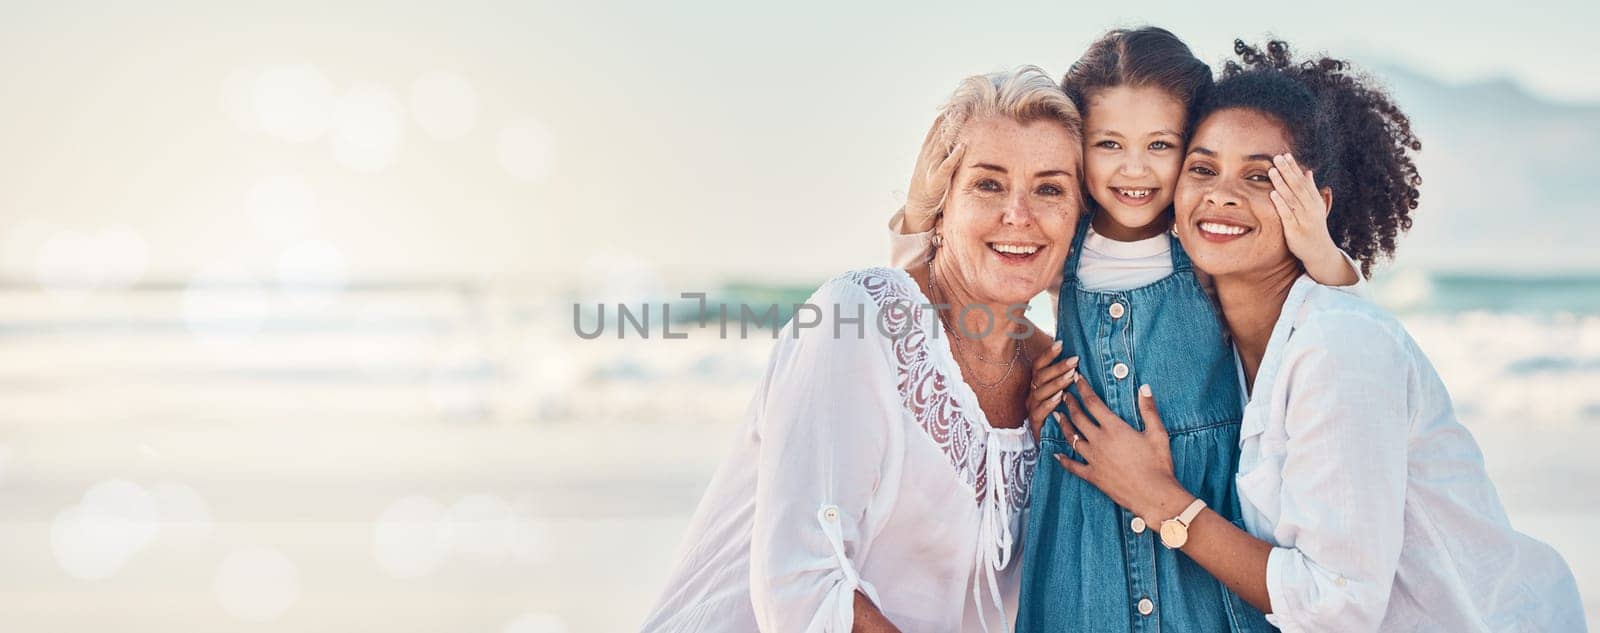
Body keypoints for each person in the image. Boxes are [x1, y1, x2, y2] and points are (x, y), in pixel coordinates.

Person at [1055, 39, 1586, 632]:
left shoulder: (1339, 349)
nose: (1223, 193)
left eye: (1261, 177)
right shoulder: (1224, 343)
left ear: (1313, 205)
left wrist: (1159, 500)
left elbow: (1339, 608)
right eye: (1202, 169)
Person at [890, 27, 1364, 632]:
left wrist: (1319, 246)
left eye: (1161, 145)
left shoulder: (1203, 242)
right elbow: (952, 308)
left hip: (1197, 494)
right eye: (1108, 143)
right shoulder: (1064, 239)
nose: (1134, 169)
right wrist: (1034, 373)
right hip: (1082, 504)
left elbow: (1327, 315)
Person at [640, 66, 1081, 632]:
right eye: (988, 184)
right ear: (942, 205)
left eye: (1049, 189)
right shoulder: (860, 320)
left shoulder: (1058, 376)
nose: (1018, 214)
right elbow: (801, 584)